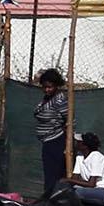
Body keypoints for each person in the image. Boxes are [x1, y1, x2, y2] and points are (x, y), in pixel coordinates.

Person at [34, 68, 68, 196]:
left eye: (50, 87)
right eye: (45, 87)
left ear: (56, 86)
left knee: (54, 174)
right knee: (48, 173)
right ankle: (49, 197)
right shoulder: (45, 100)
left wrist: (67, 143)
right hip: (47, 142)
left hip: (56, 141)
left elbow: (69, 122)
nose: (47, 90)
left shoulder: (60, 101)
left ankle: (53, 199)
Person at [66, 132, 104, 206]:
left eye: (79, 142)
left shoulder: (96, 157)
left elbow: (91, 184)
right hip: (93, 189)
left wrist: (68, 180)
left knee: (77, 192)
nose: (76, 143)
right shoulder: (80, 157)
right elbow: (75, 178)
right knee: (67, 191)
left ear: (85, 146)